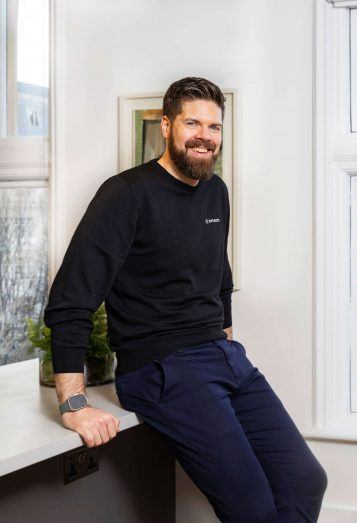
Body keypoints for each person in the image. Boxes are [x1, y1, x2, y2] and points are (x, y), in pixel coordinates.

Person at [44, 77, 326, 523]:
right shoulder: (125, 194)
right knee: (251, 506)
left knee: (306, 481)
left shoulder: (217, 192)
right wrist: (74, 405)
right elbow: (70, 300)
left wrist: (226, 336)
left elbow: (219, 275)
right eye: (192, 122)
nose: (204, 136)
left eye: (214, 127)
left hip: (223, 356)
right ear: (167, 125)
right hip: (160, 368)